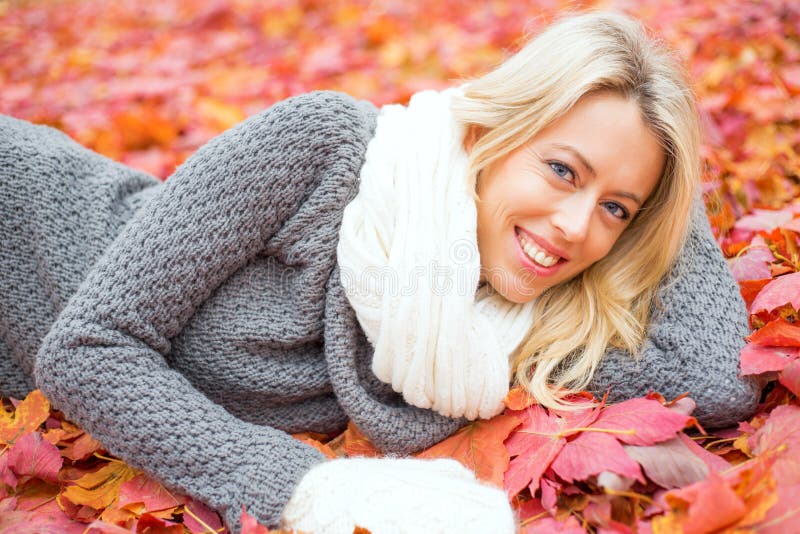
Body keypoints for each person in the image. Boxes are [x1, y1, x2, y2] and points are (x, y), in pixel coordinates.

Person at [0, 9, 760, 534]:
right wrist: (297, 485)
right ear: (496, 128)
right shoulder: (328, 150)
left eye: (616, 210)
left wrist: (660, 168)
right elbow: (90, 347)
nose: (574, 226)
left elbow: (722, 384)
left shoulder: (512, 331)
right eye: (562, 169)